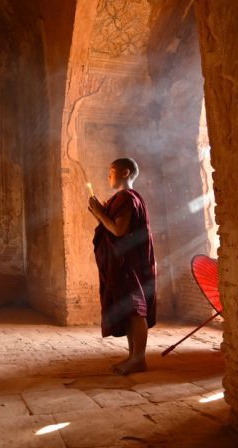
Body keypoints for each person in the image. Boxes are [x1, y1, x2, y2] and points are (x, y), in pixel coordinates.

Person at [88, 158, 157, 375]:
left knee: (136, 311)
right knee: (129, 310)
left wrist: (100, 213)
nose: (108, 176)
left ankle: (139, 358)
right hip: (125, 262)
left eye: (111, 172)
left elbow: (119, 231)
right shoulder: (123, 198)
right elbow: (112, 228)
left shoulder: (128, 197)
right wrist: (100, 212)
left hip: (130, 264)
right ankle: (133, 356)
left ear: (125, 172)